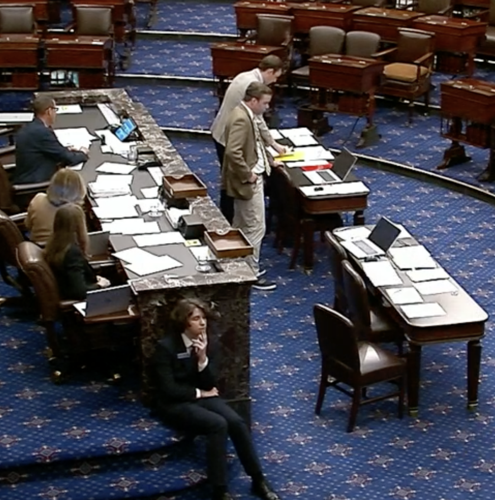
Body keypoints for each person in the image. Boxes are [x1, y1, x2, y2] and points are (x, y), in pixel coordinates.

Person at [151, 298, 281, 500]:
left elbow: (210, 381)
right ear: (184, 322)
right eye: (196, 318)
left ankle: (258, 479)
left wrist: (202, 359)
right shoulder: (166, 347)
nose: (202, 323)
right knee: (217, 424)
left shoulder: (209, 343)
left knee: (236, 422)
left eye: (203, 318)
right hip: (176, 403)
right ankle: (219, 489)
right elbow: (168, 389)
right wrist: (200, 394)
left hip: (202, 395)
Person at [210, 55, 287, 224]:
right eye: (275, 77)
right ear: (269, 71)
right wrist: (273, 145)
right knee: (233, 179)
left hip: (222, 131)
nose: (274, 81)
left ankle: (230, 218)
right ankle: (230, 220)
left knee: (229, 178)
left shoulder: (245, 75)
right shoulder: (252, 86)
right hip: (229, 136)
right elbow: (257, 121)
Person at [223, 82, 279, 291]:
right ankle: (251, 273)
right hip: (247, 182)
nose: (267, 107)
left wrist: (270, 158)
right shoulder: (240, 118)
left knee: (241, 225)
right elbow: (233, 153)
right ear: (253, 100)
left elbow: (254, 144)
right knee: (255, 227)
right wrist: (249, 175)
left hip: (249, 178)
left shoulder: (247, 114)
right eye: (264, 103)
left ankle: (239, 265)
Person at [13, 96, 89, 184]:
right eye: (55, 110)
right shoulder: (41, 132)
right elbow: (69, 159)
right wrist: (83, 153)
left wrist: (66, 149)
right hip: (35, 182)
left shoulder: (31, 127)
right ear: (49, 111)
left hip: (27, 173)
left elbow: (52, 149)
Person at [44, 204, 110, 301]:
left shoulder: (54, 243)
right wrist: (100, 285)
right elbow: (79, 292)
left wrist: (94, 278)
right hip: (85, 300)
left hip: (67, 286)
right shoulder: (72, 253)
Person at [26, 169, 87, 246]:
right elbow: (83, 241)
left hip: (36, 248)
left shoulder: (38, 198)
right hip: (61, 251)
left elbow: (27, 225)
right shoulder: (74, 212)